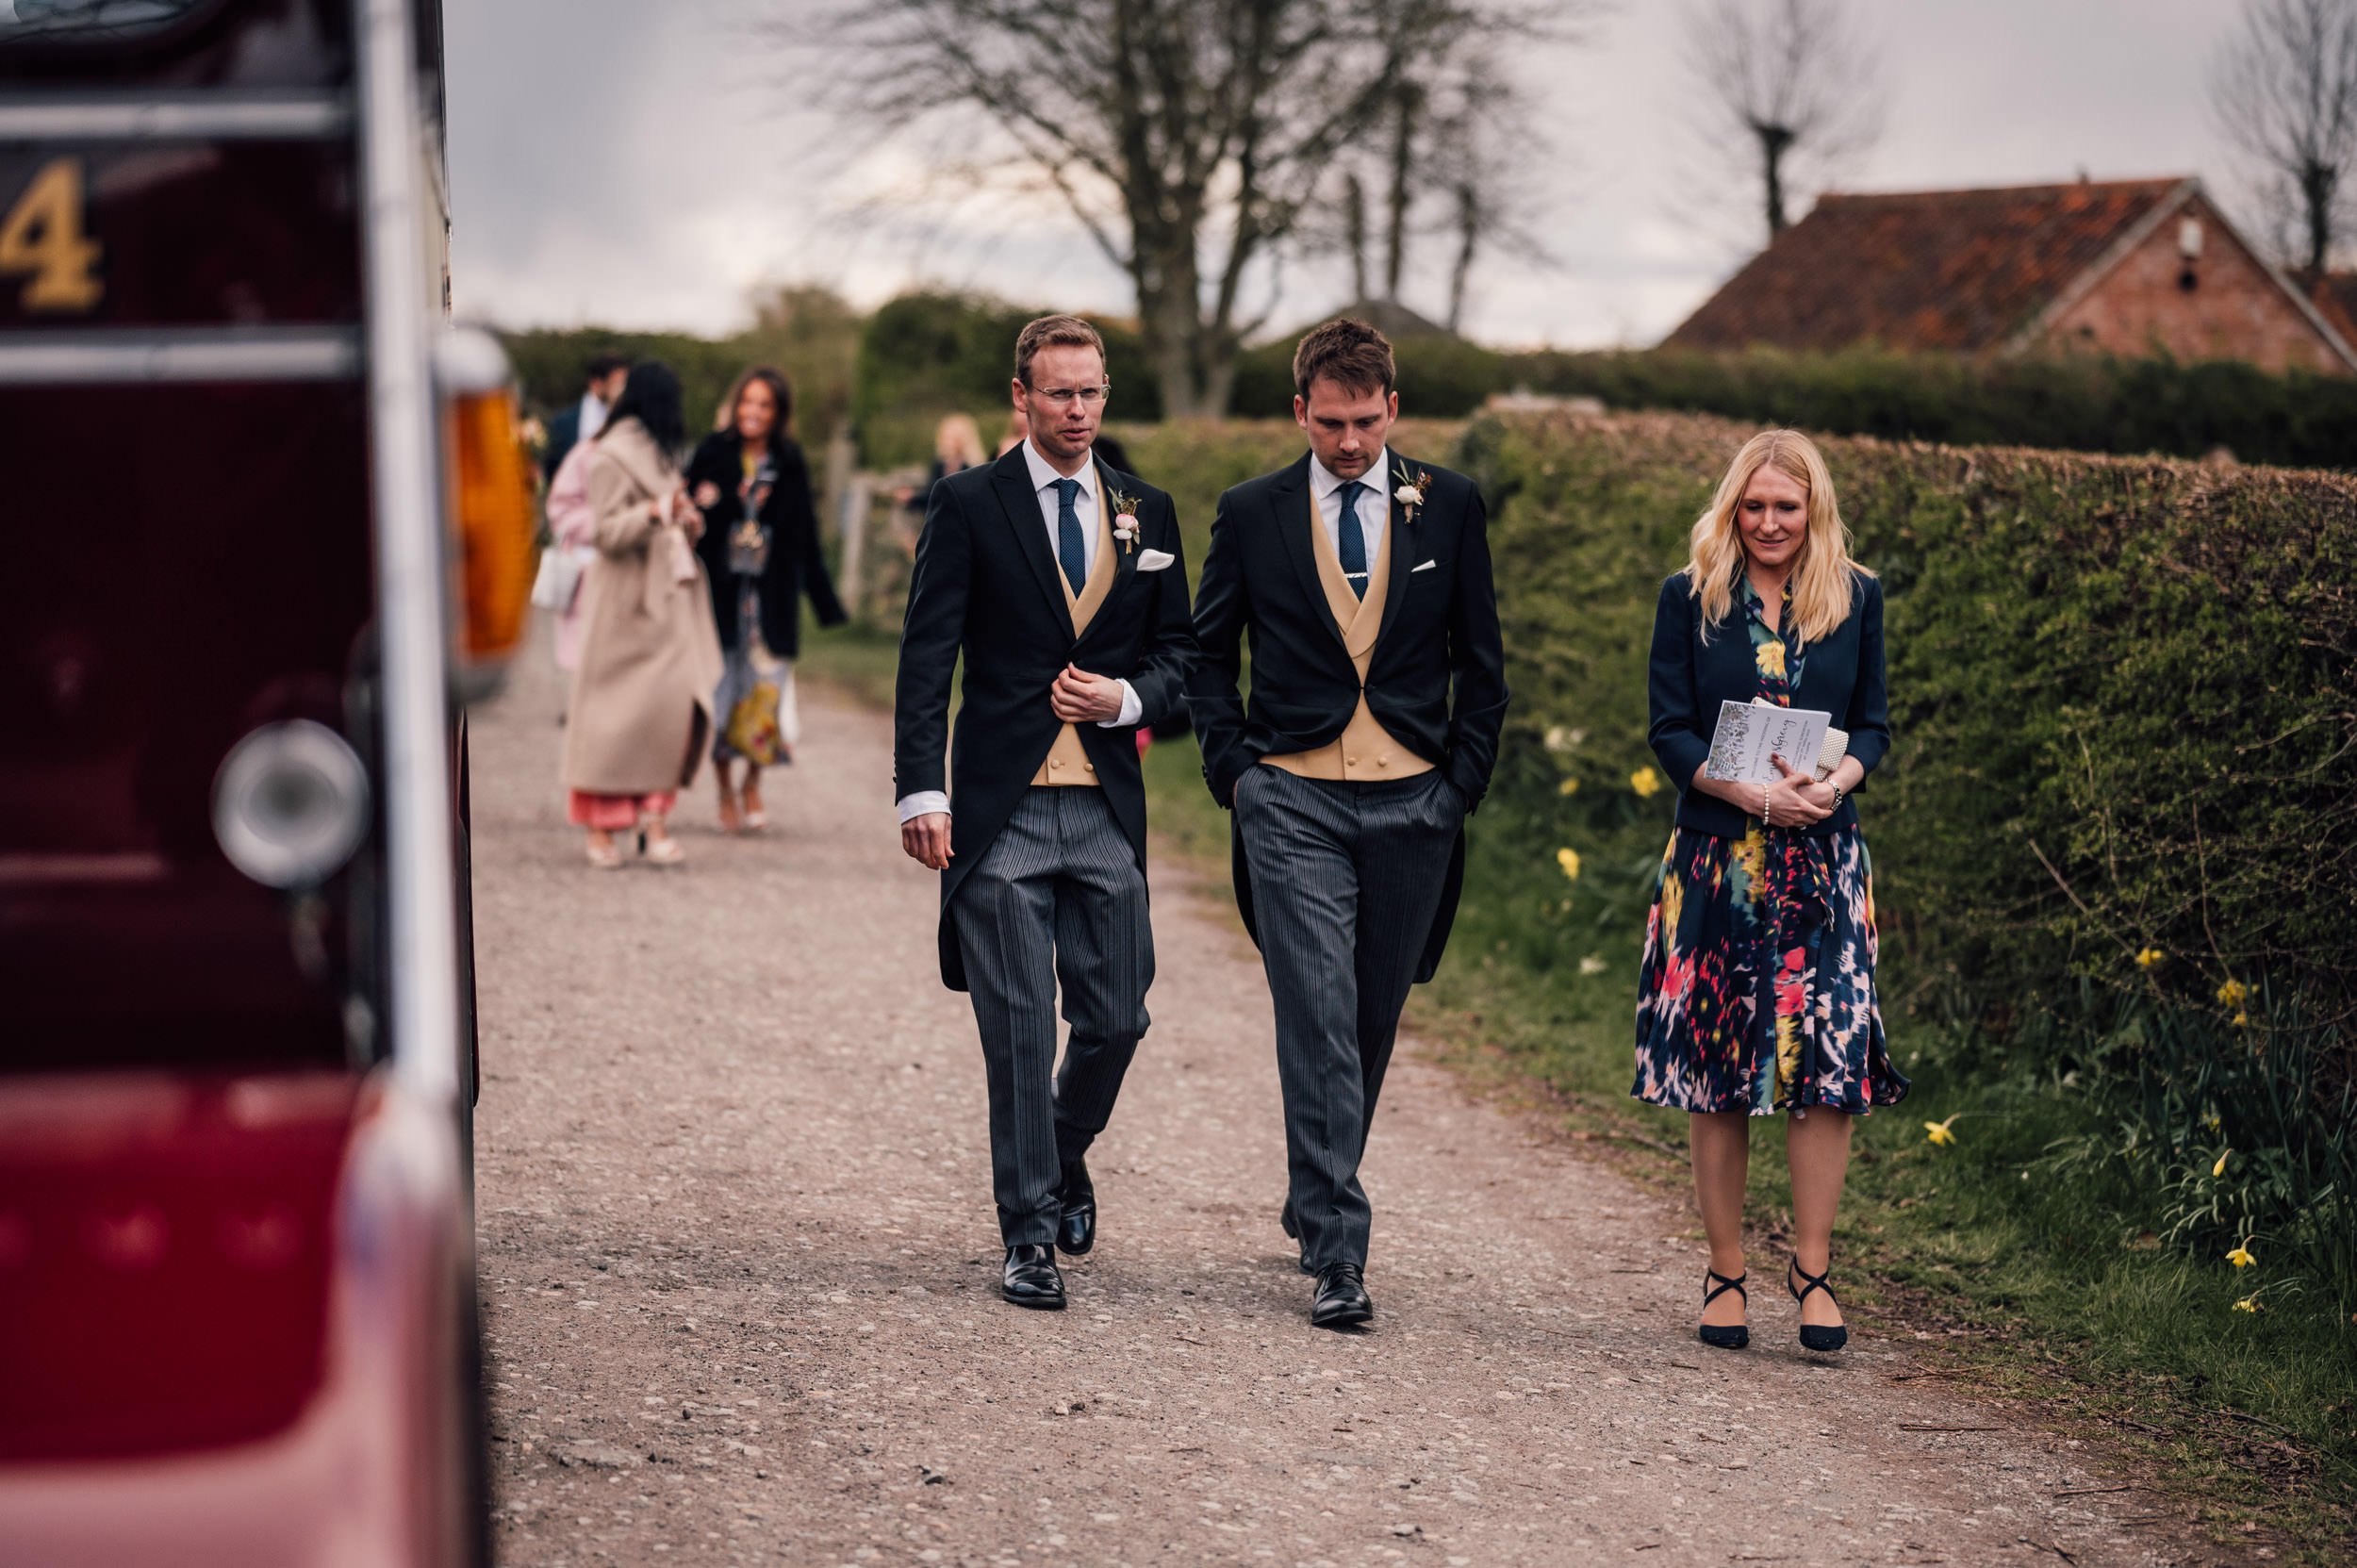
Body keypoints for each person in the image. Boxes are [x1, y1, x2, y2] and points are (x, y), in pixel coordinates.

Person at [1187, 318, 1508, 1329]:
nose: (1350, 444)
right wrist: (1235, 770)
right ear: (1300, 413)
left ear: (1394, 410)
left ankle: (1312, 1186)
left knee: (1371, 1016)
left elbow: (1483, 663)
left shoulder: (1449, 507)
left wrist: (1458, 783)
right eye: (1330, 424)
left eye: (1366, 423)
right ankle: (1339, 1250)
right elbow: (1205, 656)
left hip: (1416, 799)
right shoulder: (1252, 512)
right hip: (1290, 799)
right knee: (1319, 1009)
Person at [894, 315, 1196, 1311]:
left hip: (1106, 808)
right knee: (1021, 1030)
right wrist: (921, 788)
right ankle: (1026, 1234)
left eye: (1092, 393)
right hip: (1001, 811)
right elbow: (927, 656)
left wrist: (1126, 698)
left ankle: (1063, 1153)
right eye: (1060, 394)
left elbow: (1181, 660)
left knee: (1117, 1018)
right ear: (1020, 398)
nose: (1078, 411)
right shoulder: (969, 503)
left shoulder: (1146, 511)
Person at [1636, 427, 1901, 1355]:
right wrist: (1743, 790)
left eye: (1785, 506)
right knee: (1720, 1069)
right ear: (1731, 507)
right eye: (1753, 506)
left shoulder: (1855, 596)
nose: (1768, 522)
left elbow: (1871, 721)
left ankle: (1814, 1270)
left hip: (1825, 863)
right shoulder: (1691, 597)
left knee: (1825, 1070)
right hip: (1720, 857)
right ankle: (1725, 1269)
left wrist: (1836, 784)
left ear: (1812, 508)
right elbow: (1667, 728)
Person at [561, 361, 724, 869]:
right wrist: (653, 512)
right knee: (611, 716)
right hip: (626, 601)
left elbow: (663, 514)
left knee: (670, 710)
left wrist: (683, 517)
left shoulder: (658, 452)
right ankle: (601, 827)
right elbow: (605, 532)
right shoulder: (609, 456)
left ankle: (655, 820)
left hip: (669, 599)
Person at [686, 367, 848, 834]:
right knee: (721, 693)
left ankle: (752, 782)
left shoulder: (789, 459)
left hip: (769, 598)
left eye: (764, 405)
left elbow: (805, 534)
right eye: (747, 403)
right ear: (736, 406)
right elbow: (689, 514)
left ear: (777, 414)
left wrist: (824, 602)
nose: (753, 413)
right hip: (720, 597)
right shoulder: (713, 451)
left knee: (765, 693)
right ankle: (722, 787)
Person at [542, 353, 628, 482]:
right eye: (617, 383)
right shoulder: (563, 422)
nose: (623, 389)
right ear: (596, 383)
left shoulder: (629, 420)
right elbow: (553, 471)